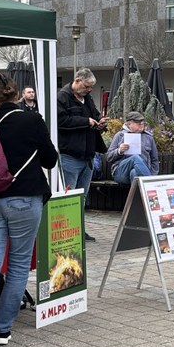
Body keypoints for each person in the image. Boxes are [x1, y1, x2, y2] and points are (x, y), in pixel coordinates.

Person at [0, 73, 58, 347]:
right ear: (18, 96)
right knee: (17, 267)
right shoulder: (32, 120)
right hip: (24, 199)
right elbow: (51, 160)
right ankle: (3, 330)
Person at [57, 68, 108, 242]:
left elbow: (94, 116)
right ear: (77, 81)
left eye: (91, 87)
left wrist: (100, 123)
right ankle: (65, 231)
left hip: (87, 156)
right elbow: (60, 121)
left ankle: (78, 230)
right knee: (68, 197)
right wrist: (85, 121)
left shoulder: (88, 99)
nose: (89, 90)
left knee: (81, 197)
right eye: (86, 86)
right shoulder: (62, 97)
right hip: (69, 155)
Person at [106, 111, 159, 185]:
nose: (141, 124)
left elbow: (155, 160)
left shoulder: (148, 138)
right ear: (129, 124)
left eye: (142, 122)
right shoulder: (119, 135)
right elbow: (108, 157)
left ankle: (137, 196)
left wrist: (153, 174)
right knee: (135, 158)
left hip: (140, 172)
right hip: (121, 173)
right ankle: (150, 184)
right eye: (138, 122)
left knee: (134, 173)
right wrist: (119, 151)